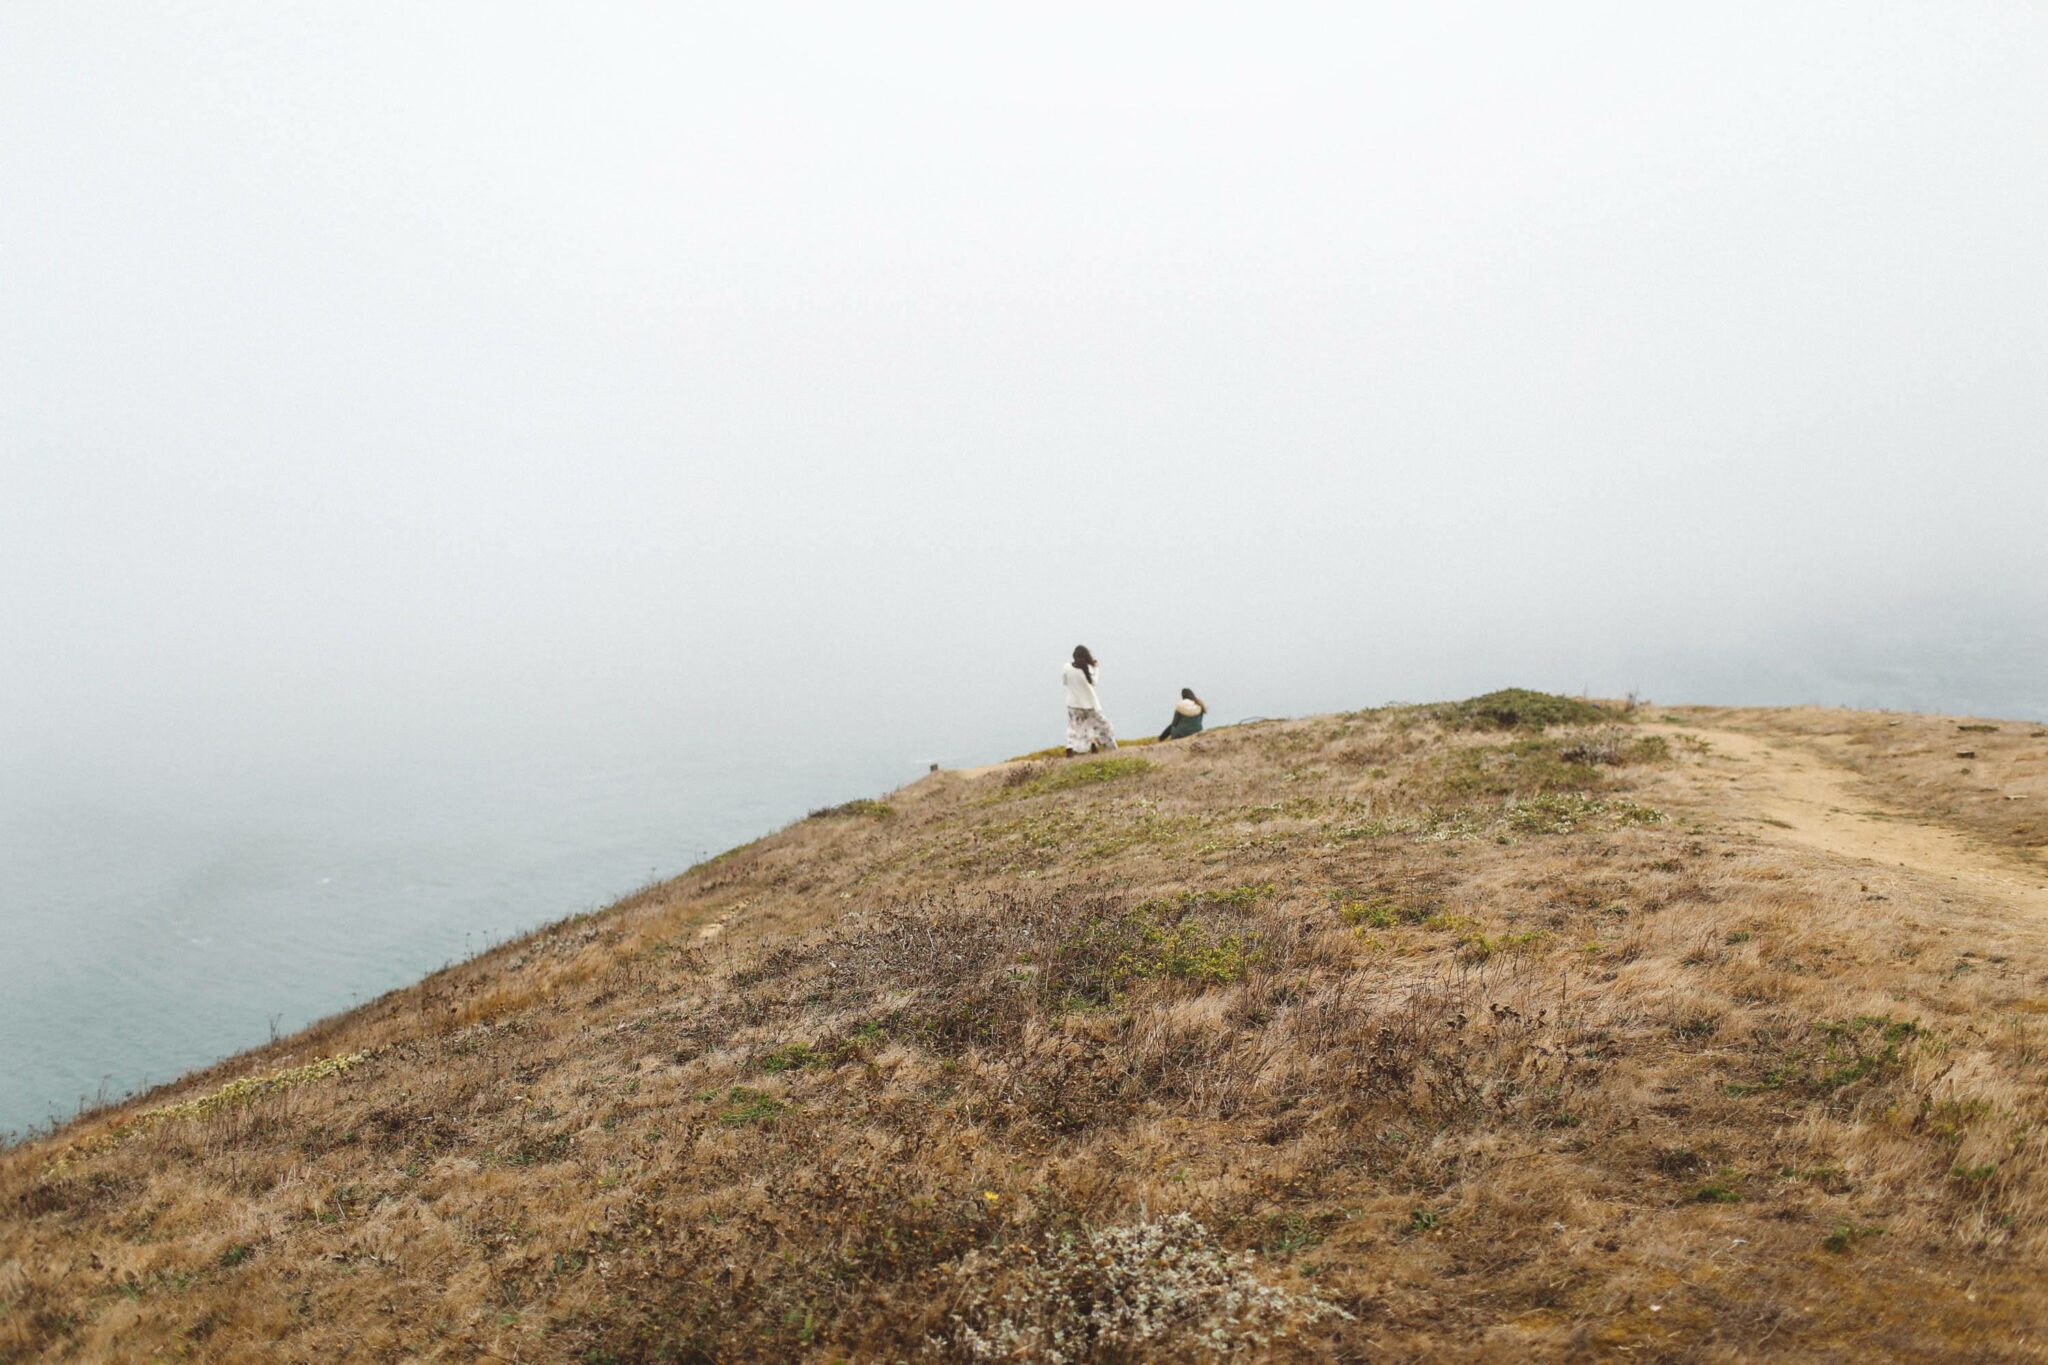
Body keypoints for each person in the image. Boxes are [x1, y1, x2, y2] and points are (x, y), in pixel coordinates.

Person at [1062, 645, 1117, 755]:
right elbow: (1094, 682)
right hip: (1089, 704)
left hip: (1072, 703)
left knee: (1073, 726)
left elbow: (1064, 682)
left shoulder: (1066, 667)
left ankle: (1070, 746)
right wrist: (1096, 668)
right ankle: (1095, 744)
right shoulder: (1088, 668)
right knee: (1095, 724)